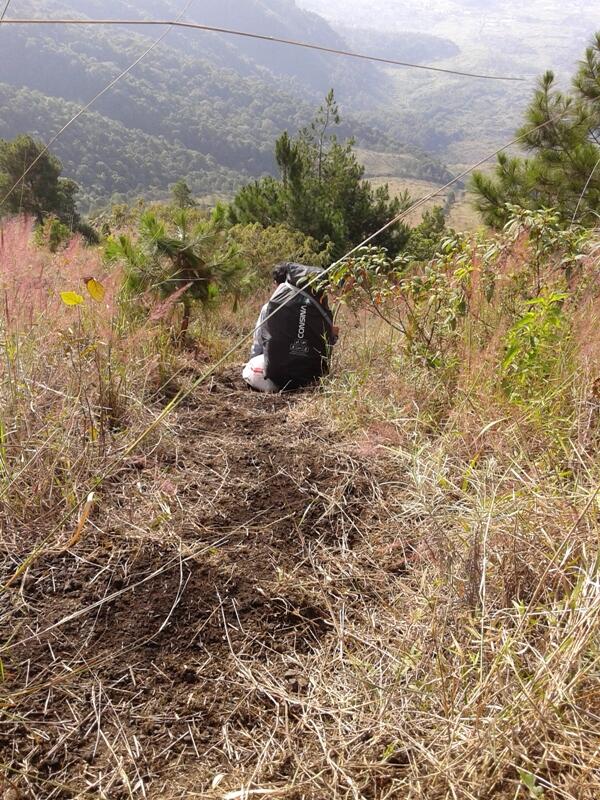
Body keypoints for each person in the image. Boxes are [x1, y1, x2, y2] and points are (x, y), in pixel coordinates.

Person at [242, 262, 337, 393]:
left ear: (278, 284)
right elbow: (329, 343)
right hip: (312, 377)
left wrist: (254, 359)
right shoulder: (317, 309)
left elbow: (259, 342)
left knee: (252, 368)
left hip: (277, 377)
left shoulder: (270, 308)